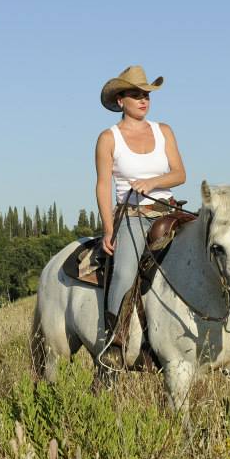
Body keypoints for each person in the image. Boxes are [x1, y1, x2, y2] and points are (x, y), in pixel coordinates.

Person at [95, 65, 187, 362]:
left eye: (146, 94)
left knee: (212, 247)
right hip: (133, 216)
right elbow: (103, 186)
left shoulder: (164, 131)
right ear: (120, 100)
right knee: (123, 273)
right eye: (136, 95)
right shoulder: (109, 138)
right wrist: (109, 229)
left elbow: (180, 173)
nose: (143, 100)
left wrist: (153, 182)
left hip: (169, 211)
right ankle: (115, 343)